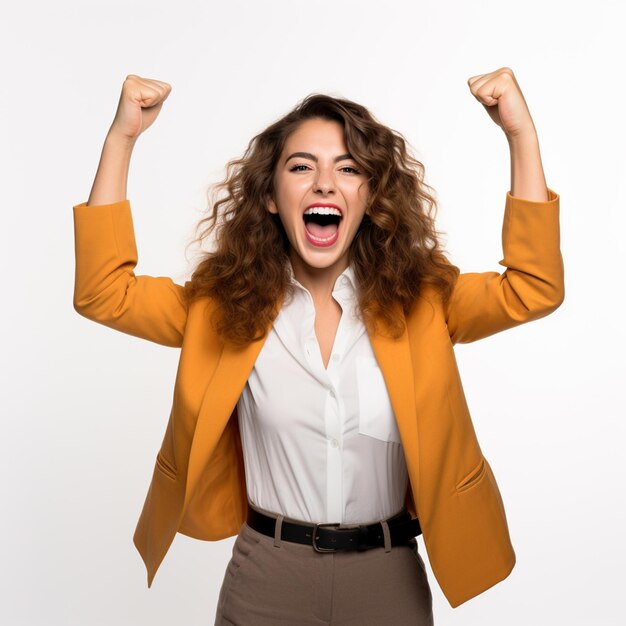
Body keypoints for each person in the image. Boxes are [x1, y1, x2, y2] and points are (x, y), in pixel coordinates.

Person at [72, 69, 564, 625]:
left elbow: (533, 287)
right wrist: (122, 139)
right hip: (266, 575)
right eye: (302, 167)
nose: (325, 184)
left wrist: (519, 135)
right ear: (270, 198)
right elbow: (103, 293)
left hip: (387, 576)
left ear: (371, 197)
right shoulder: (219, 308)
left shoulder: (426, 300)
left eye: (348, 168)